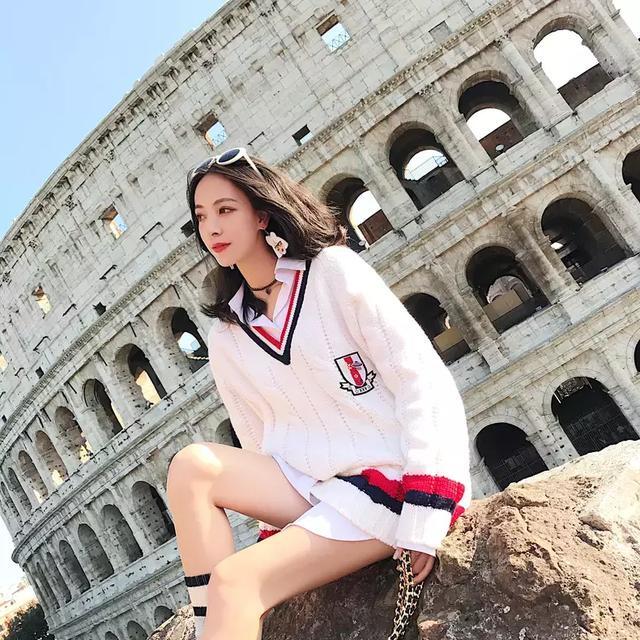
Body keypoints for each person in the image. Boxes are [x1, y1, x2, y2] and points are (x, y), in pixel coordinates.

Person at [166, 147, 472, 640]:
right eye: (202, 217)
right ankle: (209, 629)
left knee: (237, 582)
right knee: (191, 466)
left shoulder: (333, 271)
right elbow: (259, 442)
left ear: (261, 214)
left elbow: (421, 381)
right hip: (314, 488)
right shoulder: (227, 335)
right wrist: (283, 536)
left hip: (387, 481)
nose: (212, 228)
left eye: (225, 210)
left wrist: (426, 513)